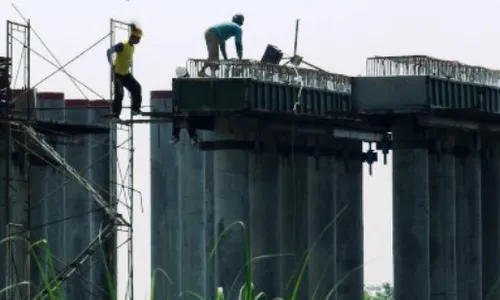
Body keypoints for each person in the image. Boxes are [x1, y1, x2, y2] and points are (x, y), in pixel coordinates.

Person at [107, 24, 143, 118]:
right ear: (134, 37)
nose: (139, 41)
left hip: (126, 74)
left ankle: (135, 109)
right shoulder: (122, 45)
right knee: (119, 94)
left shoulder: (132, 47)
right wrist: (111, 63)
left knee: (137, 88)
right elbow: (109, 51)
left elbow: (126, 57)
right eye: (138, 38)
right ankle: (116, 114)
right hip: (117, 74)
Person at [171, 66, 198, 145]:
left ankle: (175, 136)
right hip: (190, 107)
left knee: (177, 118)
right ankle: (192, 137)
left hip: (181, 107)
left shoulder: (177, 83)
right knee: (189, 119)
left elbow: (175, 97)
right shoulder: (190, 83)